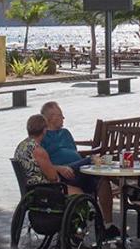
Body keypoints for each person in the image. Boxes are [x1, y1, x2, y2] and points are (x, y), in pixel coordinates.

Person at [38, 101, 119, 237]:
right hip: (62, 175)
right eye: (61, 116)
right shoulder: (43, 137)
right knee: (92, 160)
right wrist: (58, 167)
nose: (63, 119)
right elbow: (40, 162)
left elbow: (73, 153)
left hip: (79, 172)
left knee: (103, 181)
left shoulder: (65, 133)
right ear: (52, 118)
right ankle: (98, 162)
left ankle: (108, 226)